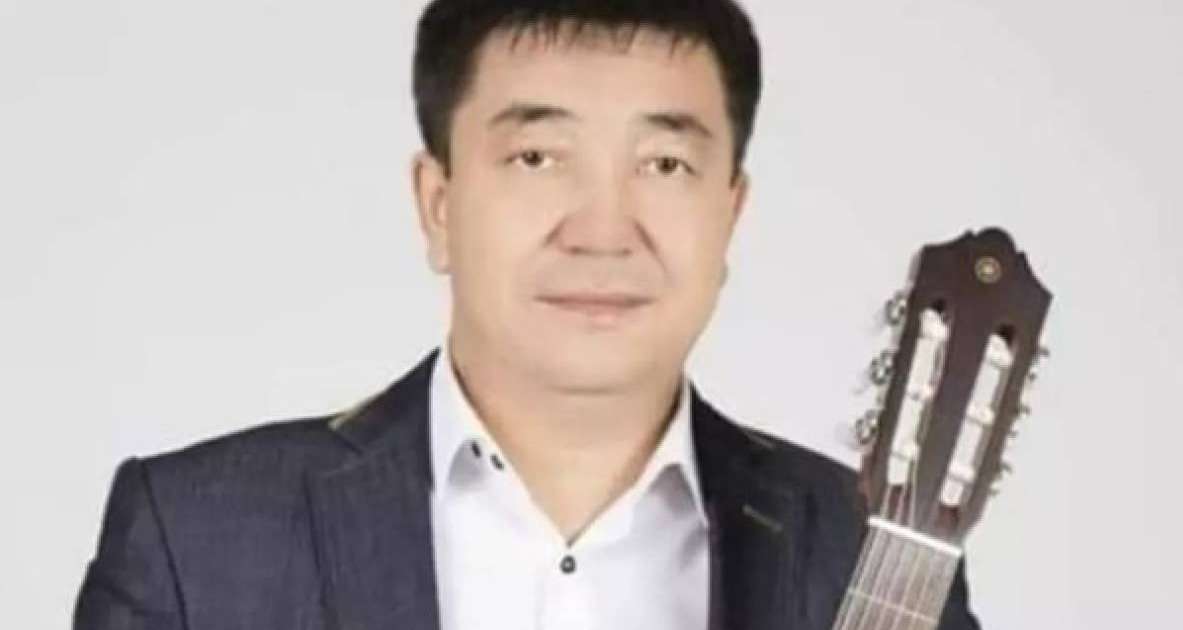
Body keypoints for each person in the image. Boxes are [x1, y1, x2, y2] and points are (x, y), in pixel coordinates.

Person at [73, 1, 981, 629]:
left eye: (664, 165)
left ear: (730, 214)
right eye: (538, 158)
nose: (603, 231)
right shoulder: (200, 538)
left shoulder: (869, 555)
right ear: (438, 204)